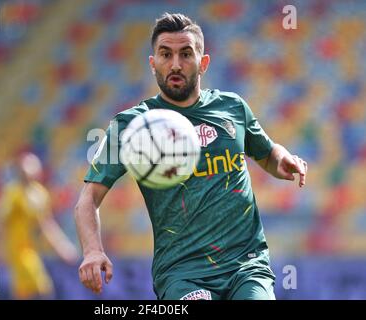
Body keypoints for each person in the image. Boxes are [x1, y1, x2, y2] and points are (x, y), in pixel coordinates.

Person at [74, 13, 308, 300]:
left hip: (246, 265)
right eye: (165, 54)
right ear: (152, 63)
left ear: (203, 62)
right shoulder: (130, 127)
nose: (175, 64)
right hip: (181, 273)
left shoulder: (233, 108)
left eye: (185, 54)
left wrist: (281, 159)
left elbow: (267, 152)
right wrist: (92, 250)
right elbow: (88, 199)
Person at [0, 152, 78, 299]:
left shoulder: (40, 194)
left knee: (30, 291)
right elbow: (1, 222)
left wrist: (62, 246)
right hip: (17, 250)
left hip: (31, 249)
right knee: (40, 289)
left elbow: (47, 225)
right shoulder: (13, 194)